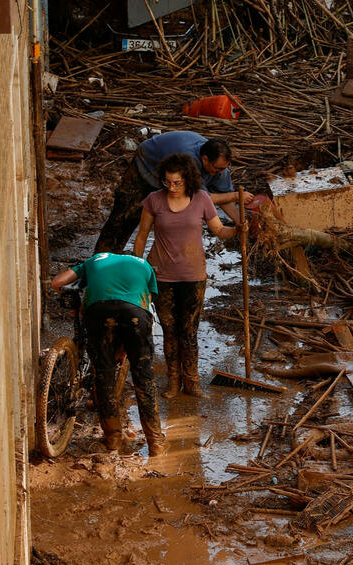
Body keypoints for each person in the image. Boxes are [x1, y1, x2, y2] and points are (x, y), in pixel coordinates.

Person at [133, 153, 234, 397]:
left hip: (193, 276)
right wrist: (138, 267)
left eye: (177, 182)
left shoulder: (202, 199)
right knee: (169, 330)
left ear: (188, 179)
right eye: (167, 182)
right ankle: (173, 382)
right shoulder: (154, 200)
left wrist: (239, 229)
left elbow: (219, 230)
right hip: (162, 276)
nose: (172, 187)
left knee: (189, 330)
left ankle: (192, 382)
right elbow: (141, 235)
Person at [50, 253, 166, 459]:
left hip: (99, 312)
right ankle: (155, 443)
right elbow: (147, 303)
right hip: (135, 314)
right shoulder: (144, 265)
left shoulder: (93, 260)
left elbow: (57, 282)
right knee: (144, 379)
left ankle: (113, 438)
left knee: (103, 374)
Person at [94, 131, 245, 255]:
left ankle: (115, 256)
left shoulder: (220, 168)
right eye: (217, 169)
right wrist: (236, 196)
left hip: (169, 177)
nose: (220, 172)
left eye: (223, 168)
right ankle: (99, 259)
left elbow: (224, 197)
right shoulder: (188, 161)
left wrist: (239, 221)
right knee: (124, 213)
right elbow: (201, 198)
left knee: (137, 218)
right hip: (147, 163)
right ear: (204, 159)